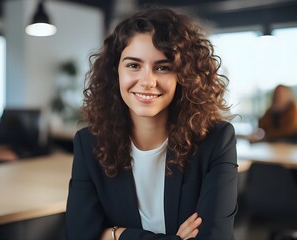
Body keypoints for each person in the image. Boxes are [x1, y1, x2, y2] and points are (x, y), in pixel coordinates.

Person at [66, 7, 238, 240]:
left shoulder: (216, 140)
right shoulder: (89, 143)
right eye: (133, 65)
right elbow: (78, 236)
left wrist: (114, 235)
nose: (147, 81)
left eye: (163, 67)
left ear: (183, 75)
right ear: (115, 71)